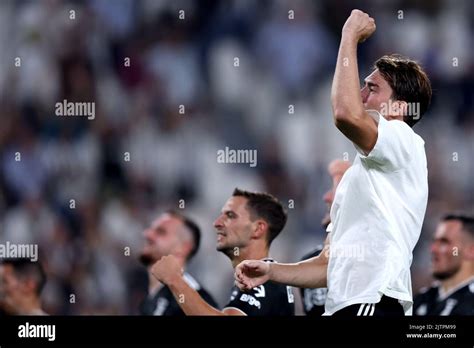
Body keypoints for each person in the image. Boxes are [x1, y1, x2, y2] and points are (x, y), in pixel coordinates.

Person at [235, 9, 432, 316]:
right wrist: (273, 272)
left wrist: (349, 34)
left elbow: (344, 113)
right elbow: (329, 264)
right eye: (363, 86)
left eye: (372, 87)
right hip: (347, 304)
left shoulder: (403, 140)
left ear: (399, 107)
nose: (362, 94)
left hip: (373, 300)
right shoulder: (369, 174)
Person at [151, 188, 294, 315]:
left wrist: (174, 279)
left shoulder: (265, 278)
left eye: (230, 216)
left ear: (257, 229)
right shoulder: (252, 279)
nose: (217, 223)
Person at [138, 210, 217, 315]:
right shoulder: (149, 300)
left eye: (160, 232)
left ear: (183, 248)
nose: (147, 234)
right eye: (150, 229)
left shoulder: (195, 301)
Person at [300, 159, 350, 316]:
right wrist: (269, 271)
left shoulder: (370, 258)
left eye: (337, 190)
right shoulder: (309, 260)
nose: (326, 197)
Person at [414, 214, 474, 315]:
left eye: (444, 242)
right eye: (434, 241)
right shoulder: (421, 300)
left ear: (471, 251)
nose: (433, 249)